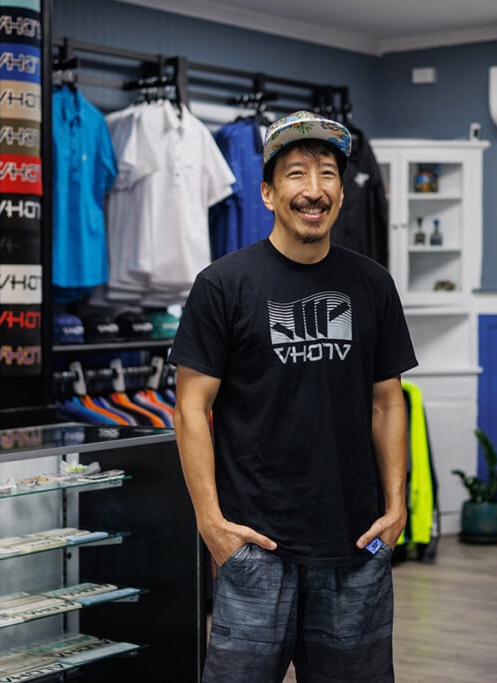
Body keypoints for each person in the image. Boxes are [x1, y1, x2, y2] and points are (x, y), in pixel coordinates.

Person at [169, 110, 418, 682]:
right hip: (255, 545)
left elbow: (388, 402)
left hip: (356, 545)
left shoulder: (372, 283)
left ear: (341, 191)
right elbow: (190, 408)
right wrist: (212, 524)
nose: (314, 189)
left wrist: (396, 506)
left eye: (328, 173)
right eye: (297, 174)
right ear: (267, 192)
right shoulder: (223, 284)